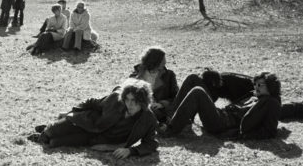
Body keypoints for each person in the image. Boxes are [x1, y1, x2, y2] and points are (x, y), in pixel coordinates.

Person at [29, 78, 158, 158]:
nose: (129, 104)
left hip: (95, 139)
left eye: (134, 101)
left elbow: (151, 143)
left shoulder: (149, 119)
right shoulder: (116, 98)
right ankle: (48, 128)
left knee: (53, 143)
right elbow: (91, 102)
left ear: (143, 101)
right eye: (127, 99)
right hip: (88, 122)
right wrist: (70, 112)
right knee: (48, 133)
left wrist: (131, 151)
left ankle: (49, 130)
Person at [163, 72, 282, 140]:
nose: (256, 87)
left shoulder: (271, 103)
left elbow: (269, 131)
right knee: (193, 78)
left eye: (260, 85)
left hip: (221, 124)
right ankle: (172, 115)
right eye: (255, 84)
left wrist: (239, 135)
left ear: (270, 86)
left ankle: (170, 130)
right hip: (220, 114)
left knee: (198, 92)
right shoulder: (257, 97)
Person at [157, 69, 255, 122]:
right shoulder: (229, 82)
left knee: (193, 79)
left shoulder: (239, 87)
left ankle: (173, 113)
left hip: (225, 116)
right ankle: (176, 113)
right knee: (193, 82)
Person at [128, 47, 179, 123]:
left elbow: (177, 96)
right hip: (142, 109)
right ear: (154, 61)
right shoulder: (136, 75)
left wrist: (161, 104)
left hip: (162, 110)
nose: (165, 62)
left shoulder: (169, 75)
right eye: (162, 60)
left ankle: (164, 121)